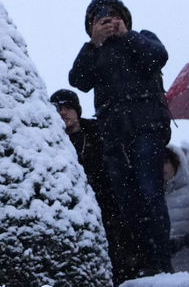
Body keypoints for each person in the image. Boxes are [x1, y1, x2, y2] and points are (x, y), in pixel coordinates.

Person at [67, 0, 171, 280]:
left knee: (150, 194)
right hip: (112, 136)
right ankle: (140, 260)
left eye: (113, 16)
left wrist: (128, 36)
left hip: (146, 127)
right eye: (100, 19)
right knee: (126, 203)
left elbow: (158, 57)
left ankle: (161, 262)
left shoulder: (141, 38)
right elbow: (78, 80)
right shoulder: (94, 52)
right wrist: (94, 44)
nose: (108, 22)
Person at [50, 88, 133, 276]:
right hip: (75, 212)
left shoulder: (99, 133)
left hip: (109, 205)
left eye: (67, 107)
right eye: (58, 108)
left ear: (77, 110)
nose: (63, 113)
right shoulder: (52, 143)